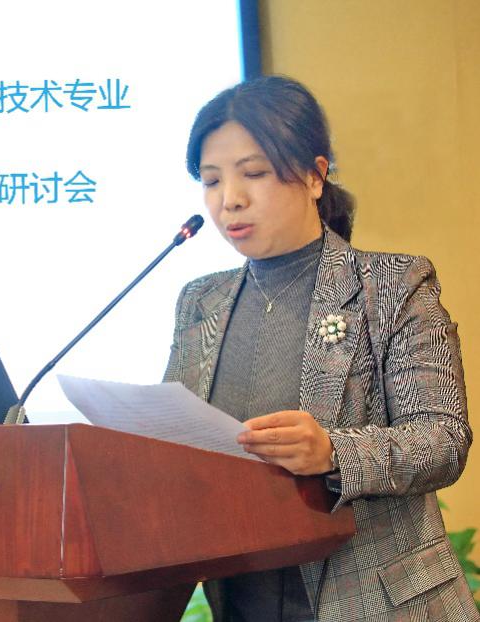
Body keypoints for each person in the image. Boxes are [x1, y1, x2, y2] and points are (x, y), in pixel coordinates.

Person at [164, 75, 476, 621]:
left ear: (314, 175)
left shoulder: (393, 285)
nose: (229, 199)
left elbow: (443, 440)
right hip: (243, 599)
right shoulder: (199, 302)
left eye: (254, 173)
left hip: (377, 606)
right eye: (211, 181)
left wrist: (333, 452)